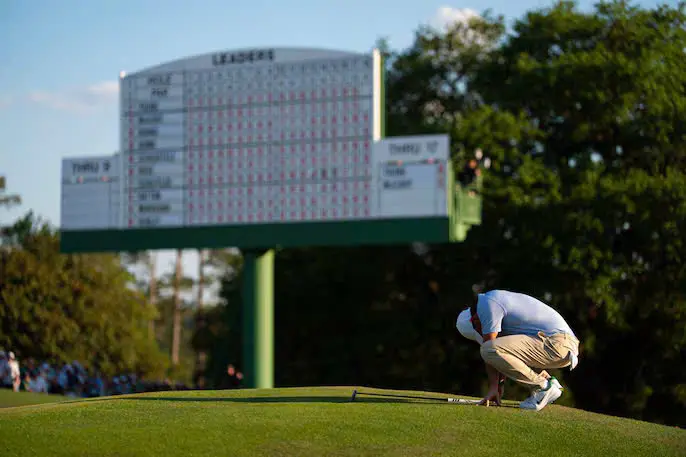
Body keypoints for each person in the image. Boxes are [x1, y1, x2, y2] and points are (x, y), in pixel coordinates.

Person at [457, 290, 580, 411]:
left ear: (474, 319)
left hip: (557, 343)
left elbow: (489, 347)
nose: (481, 333)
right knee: (494, 348)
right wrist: (498, 387)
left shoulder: (487, 304)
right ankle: (548, 382)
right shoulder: (495, 306)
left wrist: (493, 386)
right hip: (563, 346)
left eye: (477, 330)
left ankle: (543, 387)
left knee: (488, 349)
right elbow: (502, 358)